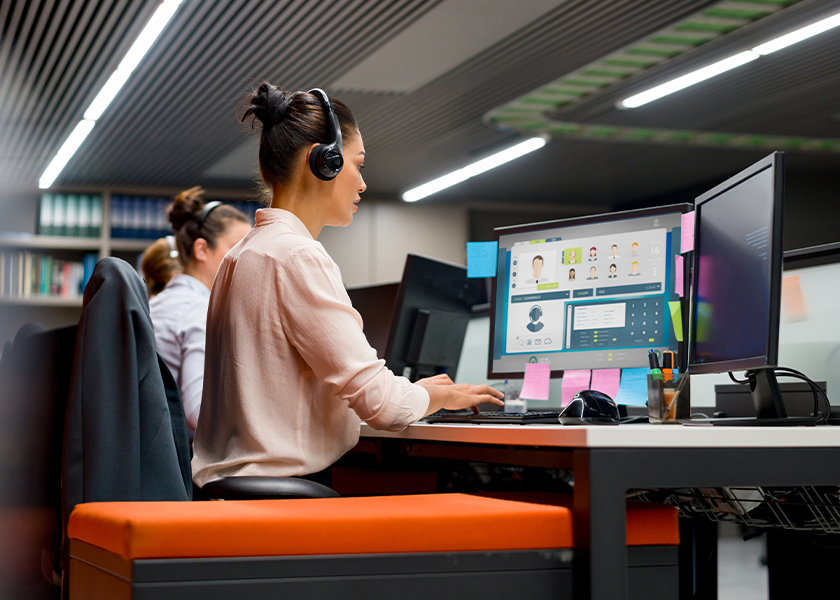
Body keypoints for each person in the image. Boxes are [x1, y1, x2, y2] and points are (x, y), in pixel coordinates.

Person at [192, 83, 503, 487]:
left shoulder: (240, 257)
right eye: (357, 164)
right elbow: (383, 406)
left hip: (231, 492)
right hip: (282, 502)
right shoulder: (297, 256)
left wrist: (410, 392)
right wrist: (440, 396)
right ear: (324, 162)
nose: (362, 183)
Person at [150, 187, 252, 435]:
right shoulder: (200, 311)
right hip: (184, 458)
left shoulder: (156, 303)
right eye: (236, 250)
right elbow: (198, 411)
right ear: (201, 250)